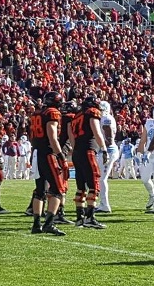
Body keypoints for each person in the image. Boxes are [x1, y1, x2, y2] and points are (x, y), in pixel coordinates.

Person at [29, 91, 67, 235]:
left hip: (36, 152)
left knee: (40, 190)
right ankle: (49, 224)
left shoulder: (37, 113)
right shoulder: (52, 113)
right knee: (58, 190)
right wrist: (60, 155)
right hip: (48, 153)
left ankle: (36, 224)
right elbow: (52, 136)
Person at [70, 94, 108, 229]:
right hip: (88, 150)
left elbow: (72, 138)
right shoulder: (92, 113)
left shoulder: (76, 116)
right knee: (94, 184)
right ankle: (90, 218)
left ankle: (79, 218)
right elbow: (97, 132)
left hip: (77, 152)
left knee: (81, 186)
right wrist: (104, 149)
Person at [96, 101, 120, 213]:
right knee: (99, 178)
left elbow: (109, 140)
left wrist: (100, 147)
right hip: (105, 151)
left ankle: (105, 205)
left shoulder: (106, 118)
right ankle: (101, 203)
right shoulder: (106, 118)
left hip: (108, 151)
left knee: (102, 179)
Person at [137, 106, 154, 210]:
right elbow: (143, 140)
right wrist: (139, 153)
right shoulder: (149, 122)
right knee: (145, 179)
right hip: (149, 155)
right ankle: (152, 195)